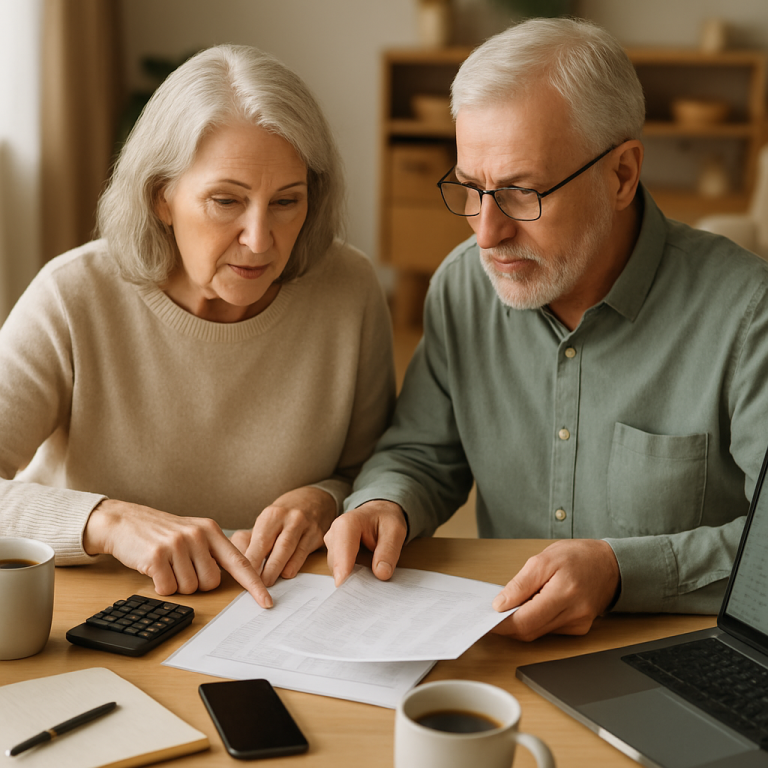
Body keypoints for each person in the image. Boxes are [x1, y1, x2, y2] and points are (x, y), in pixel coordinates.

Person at [324, 17, 768, 640]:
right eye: (471, 189)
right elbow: (424, 451)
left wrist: (620, 573)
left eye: (521, 193)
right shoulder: (462, 286)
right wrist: (383, 502)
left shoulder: (748, 314)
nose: (486, 232)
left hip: (682, 656)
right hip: (507, 648)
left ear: (621, 175)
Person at [0, 45, 394, 608]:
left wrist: (326, 500)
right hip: (94, 614)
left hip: (278, 611)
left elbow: (377, 470)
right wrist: (106, 520)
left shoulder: (349, 289)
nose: (260, 240)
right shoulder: (73, 294)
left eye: (286, 201)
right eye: (226, 200)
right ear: (163, 198)